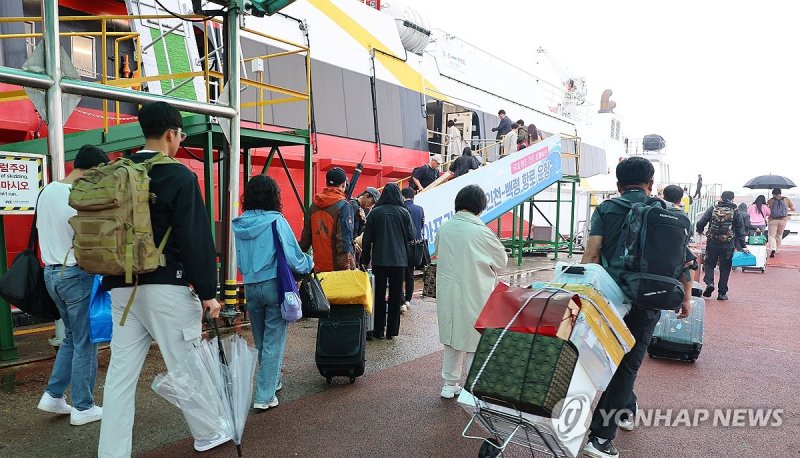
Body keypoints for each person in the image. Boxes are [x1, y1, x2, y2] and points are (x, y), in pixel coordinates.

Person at [98, 102, 222, 456]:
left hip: (122, 289)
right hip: (167, 287)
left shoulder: (116, 172)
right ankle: (209, 432)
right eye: (180, 135)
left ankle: (112, 451)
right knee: (187, 365)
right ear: (171, 133)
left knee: (120, 377)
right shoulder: (180, 175)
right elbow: (195, 237)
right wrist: (209, 292)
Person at [581, 157, 694, 458]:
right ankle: (601, 438)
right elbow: (684, 263)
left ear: (618, 185)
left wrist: (580, 290)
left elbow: (592, 255)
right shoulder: (668, 213)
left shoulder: (606, 209)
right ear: (651, 184)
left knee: (609, 358)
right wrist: (686, 297)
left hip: (608, 299)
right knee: (627, 364)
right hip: (649, 298)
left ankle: (620, 413)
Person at [36, 145, 109, 426]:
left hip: (51, 274)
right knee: (85, 342)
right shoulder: (77, 197)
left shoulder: (47, 191)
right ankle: (83, 406)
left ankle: (53, 395)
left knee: (71, 337)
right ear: (90, 169)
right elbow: (89, 240)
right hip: (75, 274)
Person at [232, 175, 314, 411]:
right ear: (273, 197)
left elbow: (239, 262)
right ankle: (264, 395)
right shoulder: (276, 221)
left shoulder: (240, 223)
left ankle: (273, 380)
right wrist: (309, 263)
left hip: (250, 285)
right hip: (273, 285)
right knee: (274, 341)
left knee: (261, 340)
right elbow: (294, 257)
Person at [435, 185, 508, 399]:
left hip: (448, 290)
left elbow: (439, 252)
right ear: (480, 207)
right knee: (475, 338)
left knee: (451, 337)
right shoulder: (482, 231)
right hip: (476, 290)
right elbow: (501, 261)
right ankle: (473, 386)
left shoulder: (445, 228)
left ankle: (449, 385)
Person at [360, 183, 415, 340]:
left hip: (380, 260)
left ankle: (378, 330)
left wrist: (365, 259)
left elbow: (367, 239)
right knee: (396, 295)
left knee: (378, 295)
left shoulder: (375, 213)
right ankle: (392, 331)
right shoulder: (404, 213)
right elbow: (412, 235)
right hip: (399, 261)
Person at [299, 167, 355, 272]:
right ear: (343, 184)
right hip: (337, 269)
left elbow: (305, 240)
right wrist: (346, 268)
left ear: (327, 182)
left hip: (319, 267)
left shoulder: (314, 205)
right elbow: (343, 240)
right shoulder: (343, 206)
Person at [696, 191, 747, 301]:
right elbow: (740, 229)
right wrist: (743, 246)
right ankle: (722, 293)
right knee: (725, 268)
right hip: (728, 244)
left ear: (721, 198)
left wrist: (699, 230)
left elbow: (701, 223)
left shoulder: (713, 208)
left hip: (712, 242)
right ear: (732, 199)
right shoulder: (735, 211)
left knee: (709, 264)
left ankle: (709, 283)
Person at [401, 187, 425, 314]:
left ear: (402, 196)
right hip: (415, 247)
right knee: (410, 274)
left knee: (399, 274)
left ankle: (402, 301)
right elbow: (421, 227)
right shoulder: (420, 209)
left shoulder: (402, 208)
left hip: (402, 246)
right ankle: (408, 299)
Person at [767, 188, 795, 257]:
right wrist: (785, 210)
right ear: (780, 193)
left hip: (772, 220)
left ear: (773, 193)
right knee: (779, 235)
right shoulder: (786, 199)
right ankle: (777, 249)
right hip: (783, 220)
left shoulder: (770, 200)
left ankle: (772, 248)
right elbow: (793, 209)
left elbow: (767, 210)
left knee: (771, 235)